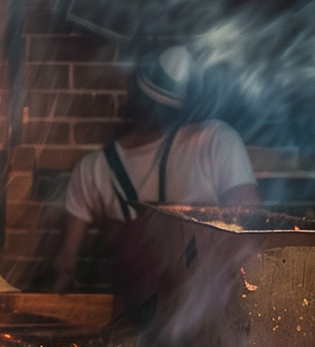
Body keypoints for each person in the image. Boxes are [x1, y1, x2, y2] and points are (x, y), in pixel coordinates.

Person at [49, 45, 260, 295]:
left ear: (133, 95)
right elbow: (252, 232)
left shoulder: (91, 169)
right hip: (203, 318)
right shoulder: (217, 140)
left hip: (135, 325)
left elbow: (64, 267)